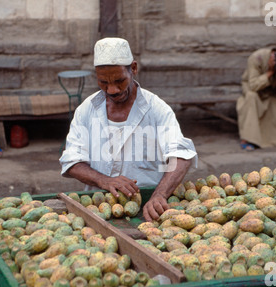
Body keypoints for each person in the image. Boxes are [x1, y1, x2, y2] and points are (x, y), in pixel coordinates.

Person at [60, 37, 198, 222]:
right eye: (103, 83)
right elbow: (71, 162)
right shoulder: (87, 109)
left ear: (133, 68)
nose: (112, 90)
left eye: (119, 81)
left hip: (147, 208)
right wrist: (104, 180)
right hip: (100, 207)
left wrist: (160, 195)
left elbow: (181, 155)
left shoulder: (156, 108)